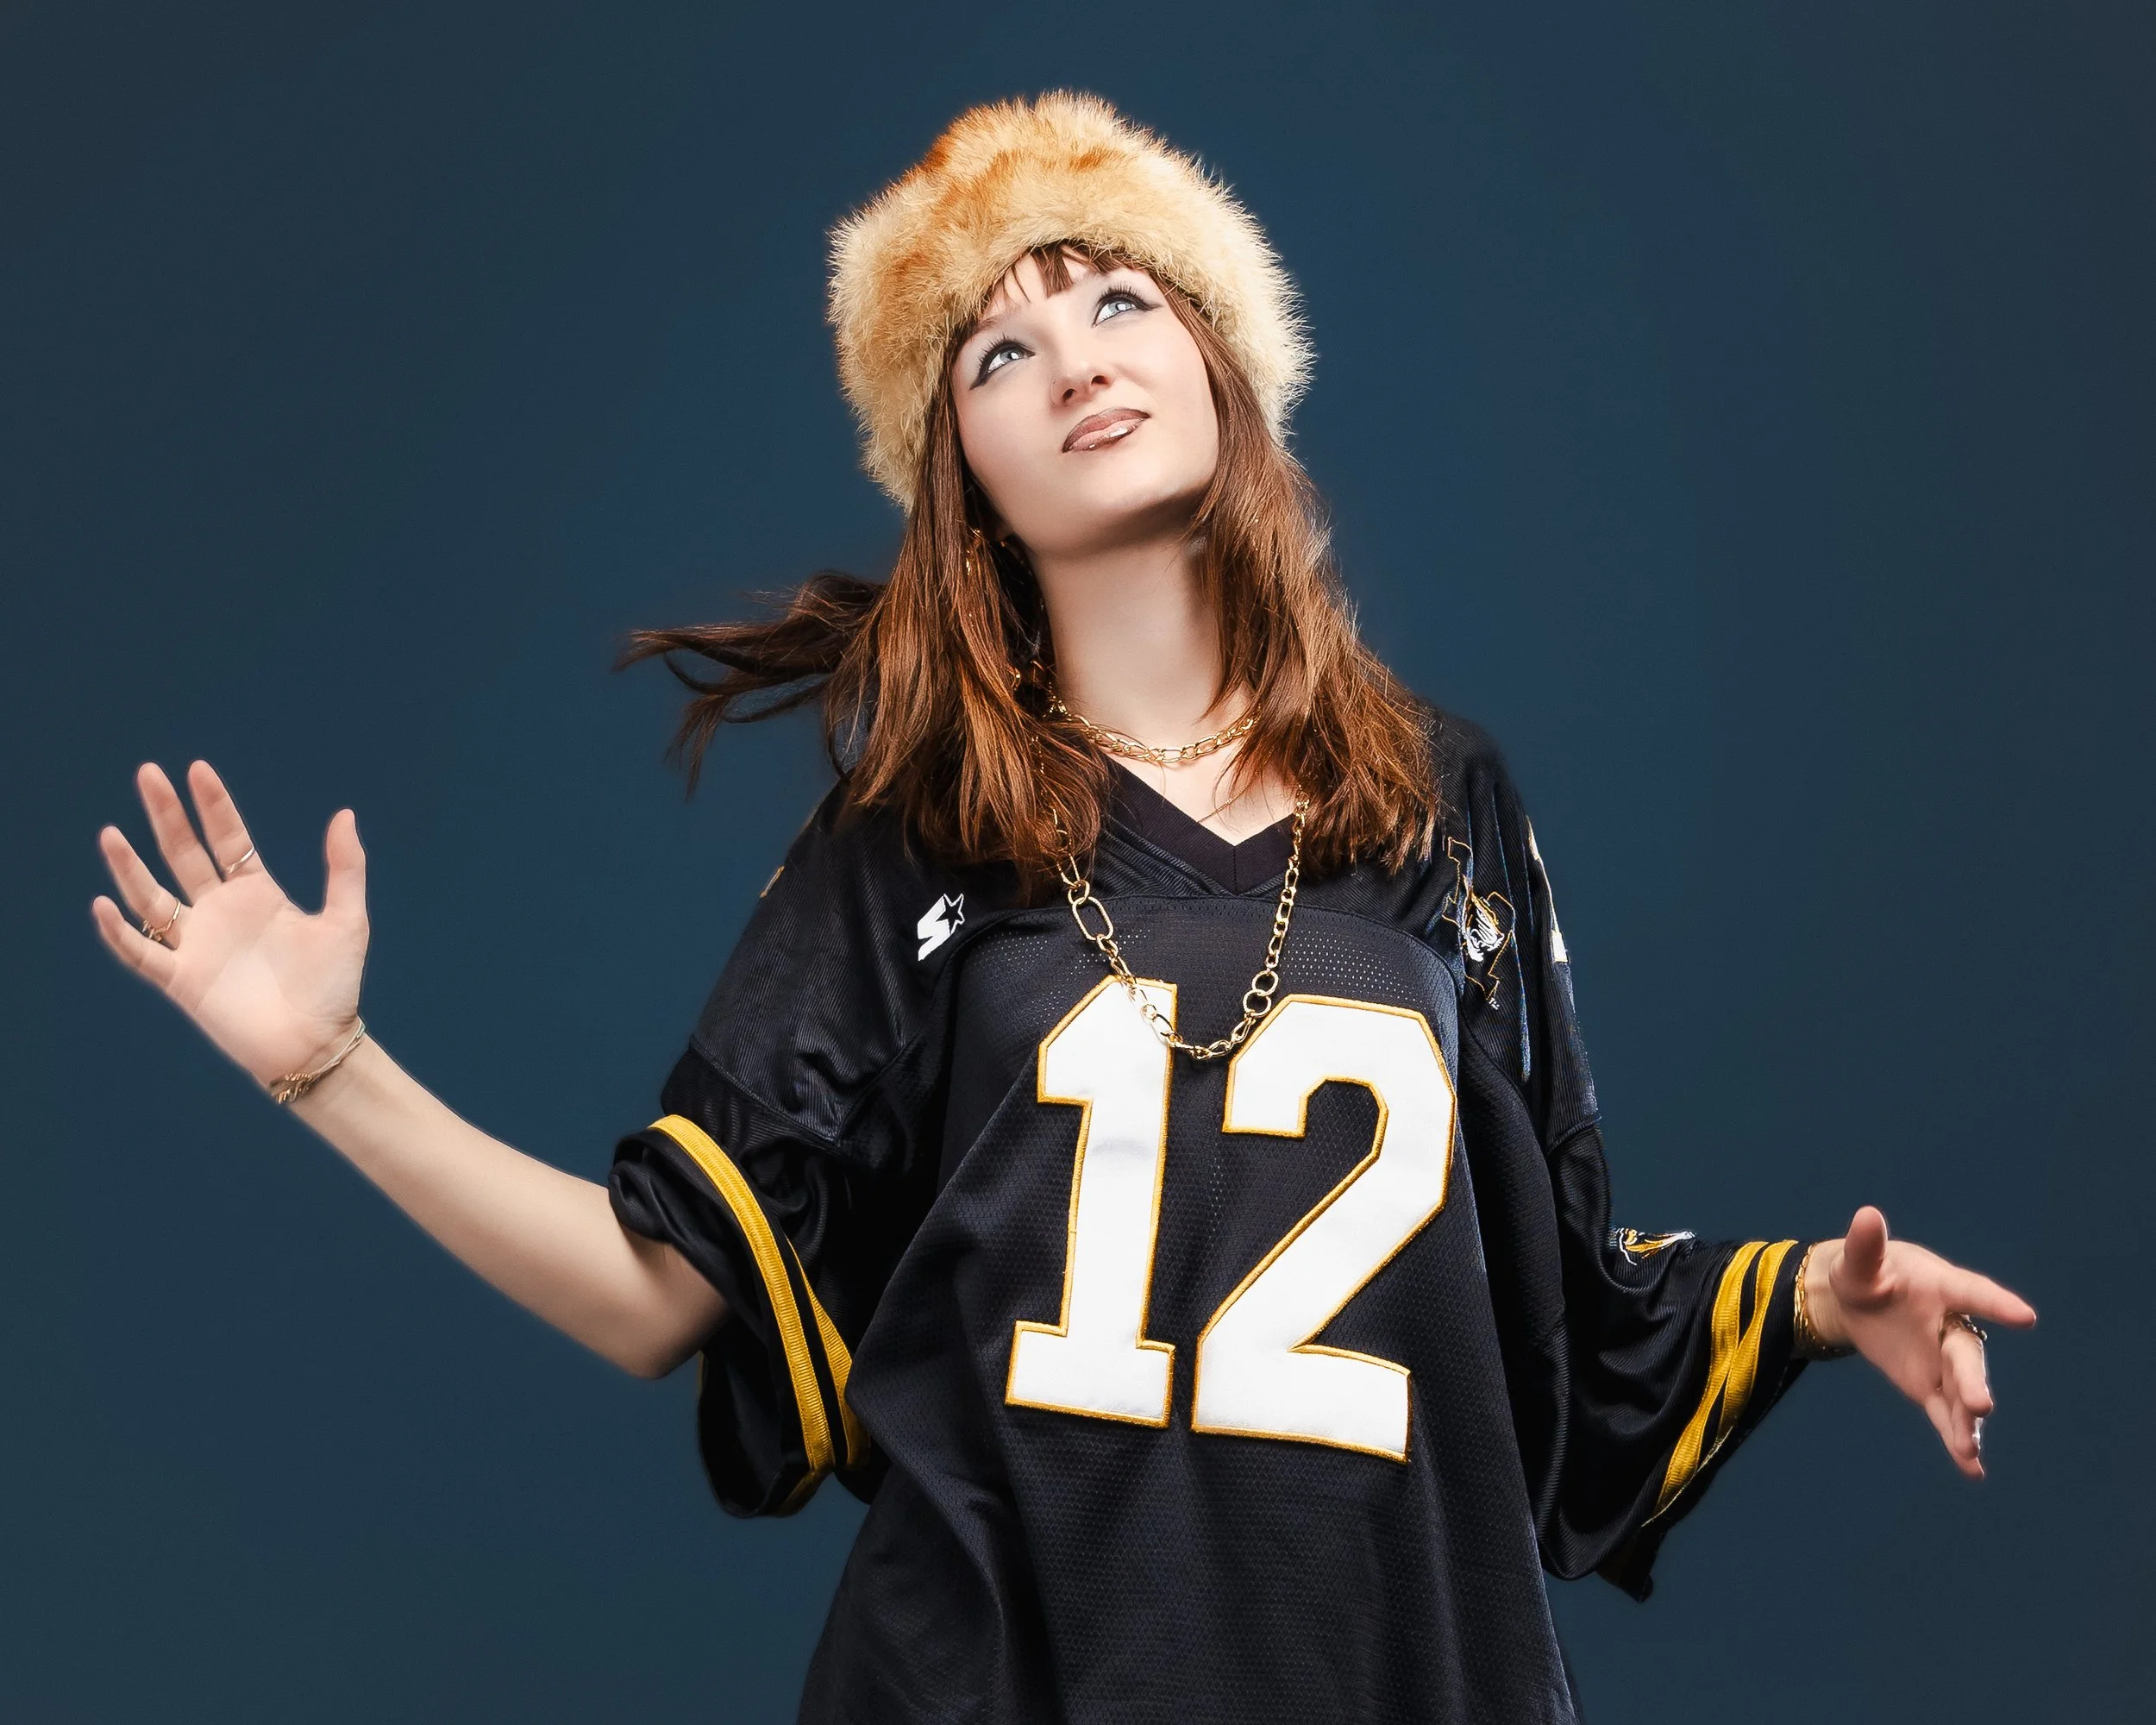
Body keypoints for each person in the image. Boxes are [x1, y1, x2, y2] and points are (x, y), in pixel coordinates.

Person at [90, 92, 2034, 1723]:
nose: (1073, 356)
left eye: (1115, 296)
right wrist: (330, 1067)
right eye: (997, 349)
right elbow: (655, 1286)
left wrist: (1807, 1300)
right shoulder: (911, 836)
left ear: (1217, 362)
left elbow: (1558, 1317)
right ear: (961, 471)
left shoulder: (1444, 804)